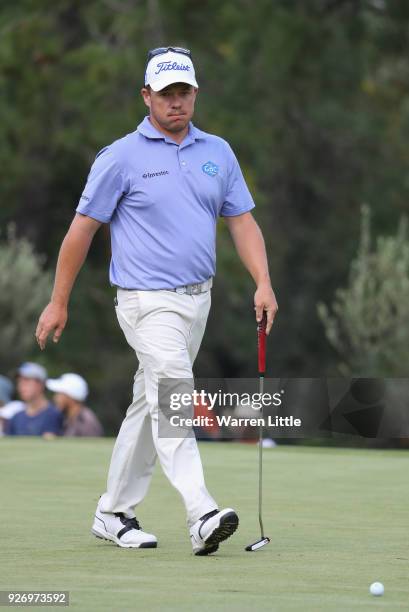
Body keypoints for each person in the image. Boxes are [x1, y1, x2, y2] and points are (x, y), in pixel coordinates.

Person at [35, 46, 278, 555]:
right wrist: (59, 301)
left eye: (183, 91)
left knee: (150, 404)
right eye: (165, 93)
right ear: (147, 96)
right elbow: (81, 232)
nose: (175, 101)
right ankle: (201, 511)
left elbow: (242, 221)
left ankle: (112, 512)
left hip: (198, 302)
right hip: (146, 302)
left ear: (195, 94)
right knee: (174, 395)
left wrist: (263, 280)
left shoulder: (218, 152)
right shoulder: (121, 156)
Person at [6, 363, 63, 437]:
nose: (21, 385)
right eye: (19, 381)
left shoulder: (54, 415)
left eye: (26, 380)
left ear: (41, 384)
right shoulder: (16, 417)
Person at [46, 373, 104, 437]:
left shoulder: (86, 422)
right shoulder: (67, 418)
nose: (55, 397)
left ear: (70, 396)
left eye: (59, 393)